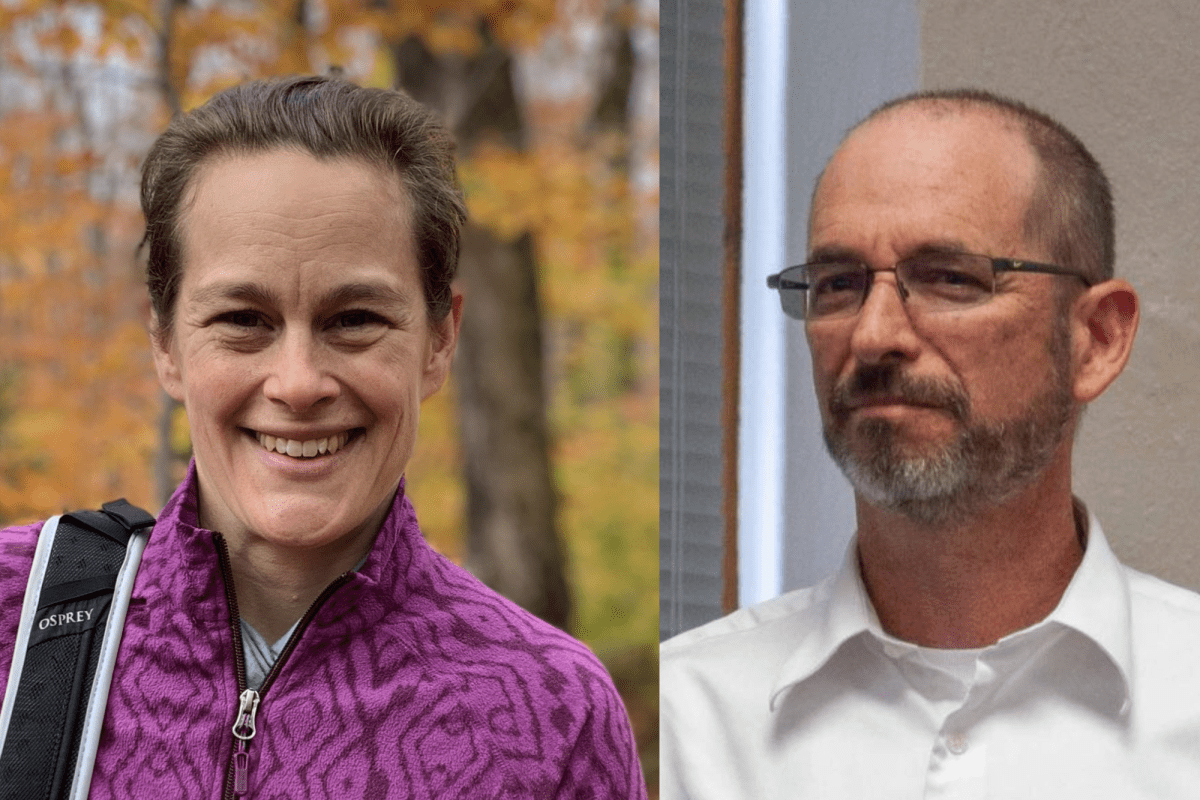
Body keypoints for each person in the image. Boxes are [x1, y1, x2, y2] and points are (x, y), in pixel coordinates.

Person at [0, 75, 646, 798]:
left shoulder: (551, 714)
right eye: (243, 320)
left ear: (439, 339)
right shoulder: (15, 614)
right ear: (166, 344)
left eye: (355, 319)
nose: (299, 383)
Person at [660, 89, 1200, 798]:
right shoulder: (687, 725)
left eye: (950, 278)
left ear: (1095, 340)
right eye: (837, 284)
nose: (875, 334)